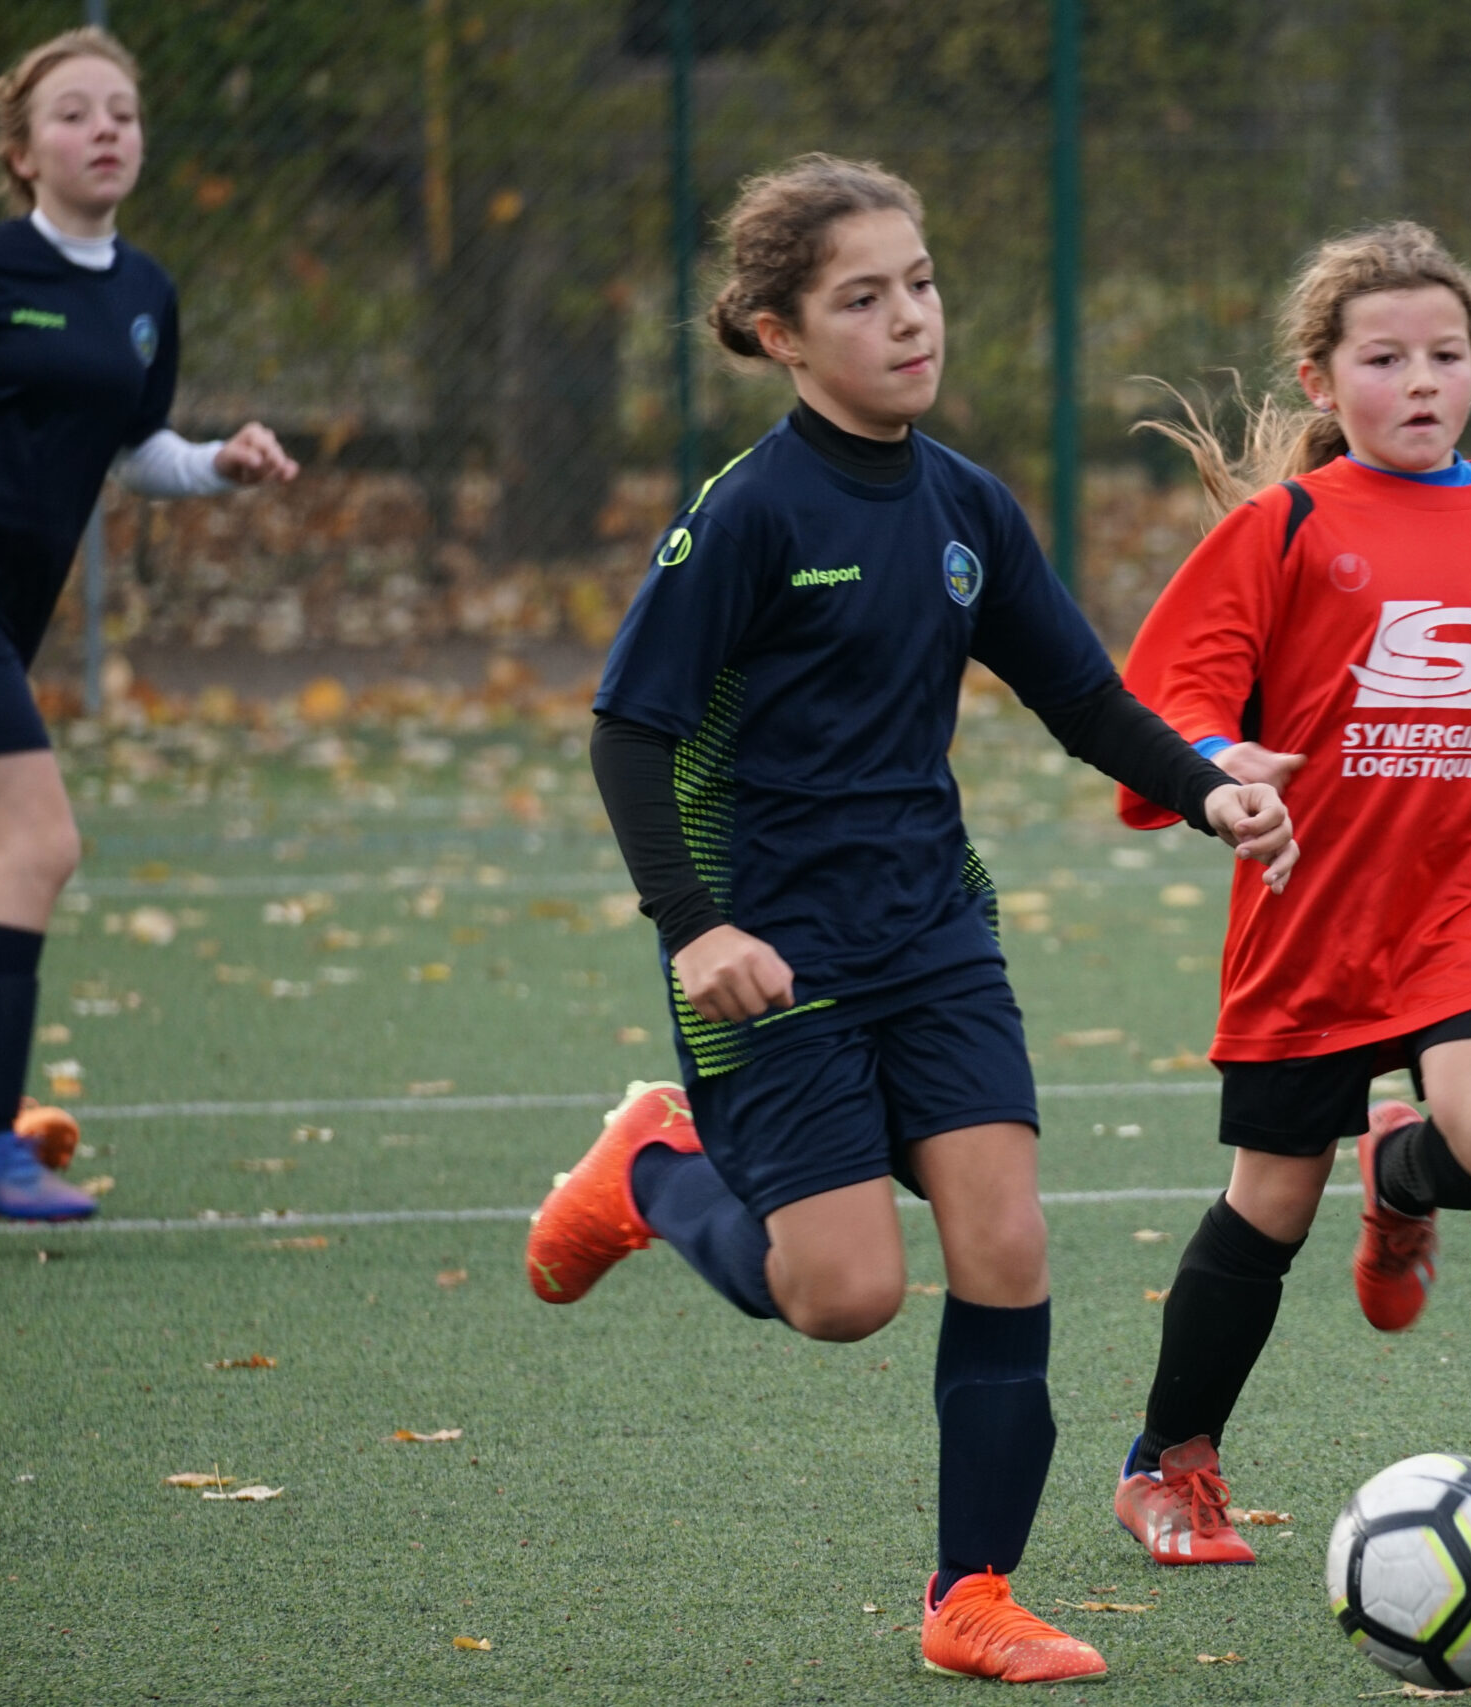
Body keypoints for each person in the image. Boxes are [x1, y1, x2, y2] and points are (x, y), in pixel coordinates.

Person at [523, 155, 1294, 1685]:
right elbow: (627, 731)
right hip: (773, 948)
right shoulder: (745, 516)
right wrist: (694, 928)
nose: (909, 319)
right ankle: (651, 1166)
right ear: (779, 334)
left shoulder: (965, 506)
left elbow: (1080, 695)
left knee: (1005, 1241)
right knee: (845, 1294)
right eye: (861, 298)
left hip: (935, 927)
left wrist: (1207, 786)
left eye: (921, 283)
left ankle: (970, 1595)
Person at [1106, 222, 1471, 1567]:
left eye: (1447, 353)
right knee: (1269, 1197)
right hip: (1310, 904)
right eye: (1385, 357)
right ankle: (1169, 1460)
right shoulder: (1287, 527)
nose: (1422, 379)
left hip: (1462, 904)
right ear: (1321, 382)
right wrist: (1215, 768)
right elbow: (1171, 697)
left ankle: (1409, 1167)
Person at [0, 27, 298, 1222]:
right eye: (74, 113)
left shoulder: (144, 293)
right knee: (38, 843)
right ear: (23, 152)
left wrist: (220, 462)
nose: (105, 128)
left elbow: (133, 454)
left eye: (121, 110)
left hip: (14, 618)